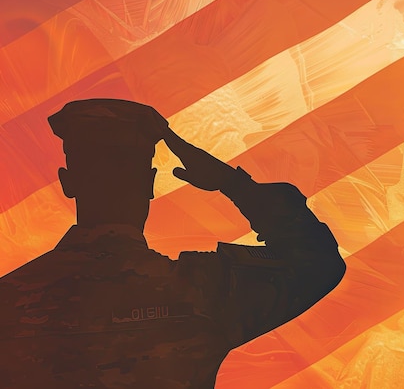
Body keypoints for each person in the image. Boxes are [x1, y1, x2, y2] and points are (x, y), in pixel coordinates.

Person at [0, 99, 345, 389]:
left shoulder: (9, 301)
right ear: (150, 184)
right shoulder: (201, 290)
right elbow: (317, 262)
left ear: (68, 182)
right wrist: (233, 184)